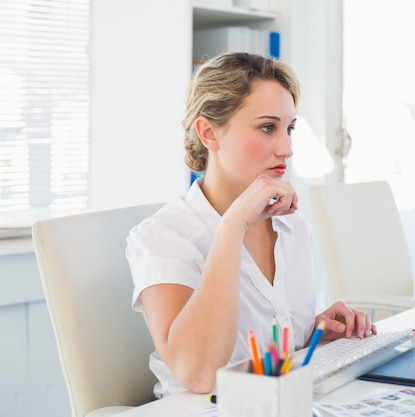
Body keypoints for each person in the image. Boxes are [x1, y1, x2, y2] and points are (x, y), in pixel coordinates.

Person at [126, 52, 377, 398]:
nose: (287, 149)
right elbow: (198, 374)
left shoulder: (294, 228)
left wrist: (312, 335)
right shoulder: (164, 236)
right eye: (267, 128)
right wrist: (233, 226)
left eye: (289, 129)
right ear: (209, 133)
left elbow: (265, 358)